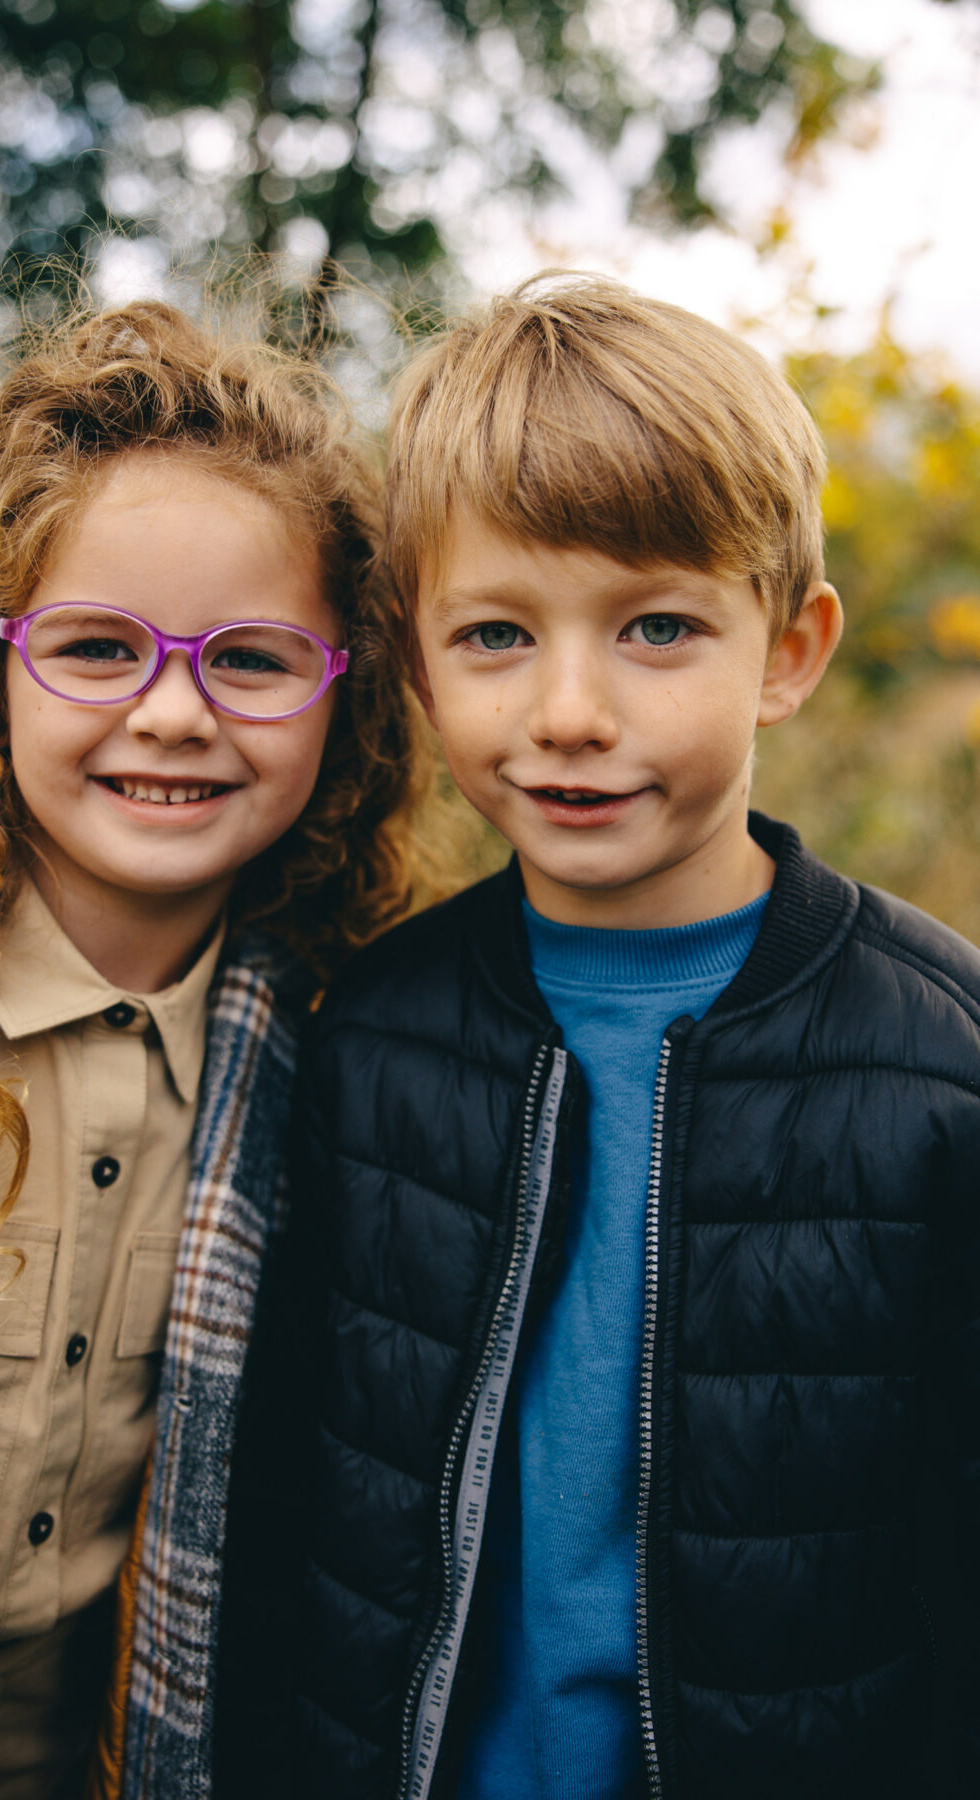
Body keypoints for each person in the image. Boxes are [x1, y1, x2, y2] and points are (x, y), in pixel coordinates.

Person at [292, 277, 980, 1800]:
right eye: (494, 636)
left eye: (657, 626)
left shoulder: (939, 1062)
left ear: (788, 651)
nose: (570, 710)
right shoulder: (371, 1039)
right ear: (415, 665)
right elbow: (306, 1522)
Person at [0, 296, 424, 1800]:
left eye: (254, 661)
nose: (175, 712)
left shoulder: (325, 1057)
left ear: (348, 693)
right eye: (95, 647)